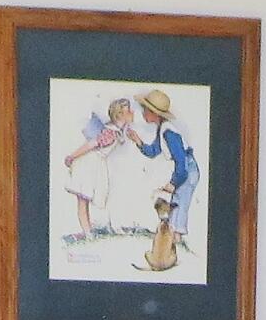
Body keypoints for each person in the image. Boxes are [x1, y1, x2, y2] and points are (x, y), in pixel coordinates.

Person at [126, 89, 199, 257]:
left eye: (145, 110)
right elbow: (153, 151)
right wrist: (138, 141)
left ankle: (177, 240)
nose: (143, 113)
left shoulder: (169, 133)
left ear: (155, 114)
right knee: (176, 201)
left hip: (187, 170)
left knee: (179, 203)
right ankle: (173, 239)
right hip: (184, 170)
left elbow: (182, 163)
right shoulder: (162, 129)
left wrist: (173, 183)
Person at [61, 97, 135, 238]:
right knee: (83, 198)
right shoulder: (110, 131)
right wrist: (72, 156)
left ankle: (88, 231)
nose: (132, 112)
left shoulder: (117, 129)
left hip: (95, 163)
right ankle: (88, 233)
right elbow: (91, 144)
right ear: (120, 115)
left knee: (86, 197)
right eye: (128, 111)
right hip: (88, 163)